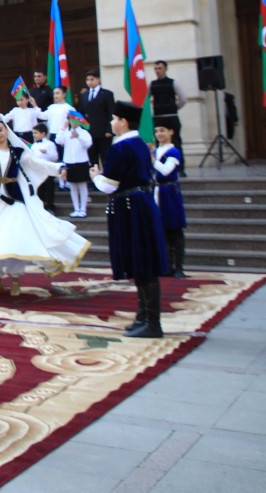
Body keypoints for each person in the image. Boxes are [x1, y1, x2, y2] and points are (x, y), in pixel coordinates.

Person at [0, 116, 85, 296]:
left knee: (15, 239)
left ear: (6, 130)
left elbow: (38, 164)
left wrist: (58, 168)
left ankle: (15, 279)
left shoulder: (18, 152)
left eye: (0, 130)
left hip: (14, 200)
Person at [90, 101, 169, 338]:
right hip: (140, 204)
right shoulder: (141, 145)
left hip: (131, 207)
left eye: (114, 119)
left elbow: (108, 186)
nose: (111, 122)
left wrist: (95, 177)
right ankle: (143, 317)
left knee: (142, 262)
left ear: (123, 122)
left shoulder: (120, 148)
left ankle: (152, 322)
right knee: (141, 261)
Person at [153, 123, 187, 279]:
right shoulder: (155, 151)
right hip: (158, 191)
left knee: (175, 229)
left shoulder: (174, 152)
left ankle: (179, 267)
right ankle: (166, 265)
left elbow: (166, 170)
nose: (159, 134)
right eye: (157, 131)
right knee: (162, 230)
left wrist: (153, 160)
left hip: (170, 193)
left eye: (162, 130)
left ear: (171, 132)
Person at [57, 115, 93, 218]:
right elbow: (59, 141)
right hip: (69, 162)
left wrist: (78, 137)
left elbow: (88, 144)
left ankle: (83, 209)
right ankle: (76, 208)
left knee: (82, 186)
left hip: (82, 162)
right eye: (71, 120)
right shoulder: (66, 133)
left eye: (75, 120)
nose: (73, 122)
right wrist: (62, 129)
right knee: (72, 186)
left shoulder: (84, 133)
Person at [149, 61, 187, 154]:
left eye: (160, 68)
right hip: (158, 118)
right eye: (155, 69)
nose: (157, 71)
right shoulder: (152, 84)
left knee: (175, 142)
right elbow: (145, 100)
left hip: (171, 118)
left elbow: (183, 99)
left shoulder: (173, 83)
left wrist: (174, 108)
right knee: (159, 143)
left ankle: (179, 162)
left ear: (165, 69)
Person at [80, 71, 116, 167]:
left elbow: (111, 113)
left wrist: (109, 129)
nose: (89, 82)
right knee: (92, 158)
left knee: (105, 157)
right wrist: (83, 129)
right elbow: (82, 113)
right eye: (87, 80)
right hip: (89, 132)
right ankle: (95, 174)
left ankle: (107, 175)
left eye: (92, 79)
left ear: (98, 80)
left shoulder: (107, 94)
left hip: (103, 132)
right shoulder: (84, 95)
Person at [29, 124, 59, 212]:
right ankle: (41, 208)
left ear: (43, 134)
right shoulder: (33, 145)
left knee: (49, 189)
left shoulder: (50, 144)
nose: (33, 135)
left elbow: (55, 157)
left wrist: (46, 153)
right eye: (33, 133)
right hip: (37, 171)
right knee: (39, 189)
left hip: (48, 170)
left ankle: (49, 206)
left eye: (36, 133)